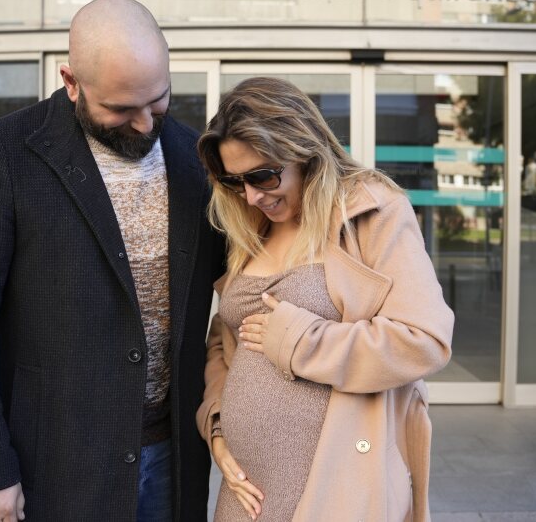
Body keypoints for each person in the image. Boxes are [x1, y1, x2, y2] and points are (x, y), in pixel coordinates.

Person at [0, 0, 224, 522]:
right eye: (119, 108)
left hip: (173, 458)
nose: (143, 125)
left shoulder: (195, 155)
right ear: (71, 81)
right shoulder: (3, 155)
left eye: (156, 100)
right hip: (55, 465)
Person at [194, 77, 454, 522]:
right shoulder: (250, 225)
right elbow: (227, 340)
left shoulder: (371, 210)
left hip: (335, 488)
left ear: (305, 151)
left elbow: (424, 338)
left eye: (263, 175)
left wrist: (302, 342)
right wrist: (217, 426)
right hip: (245, 493)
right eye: (236, 181)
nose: (253, 195)